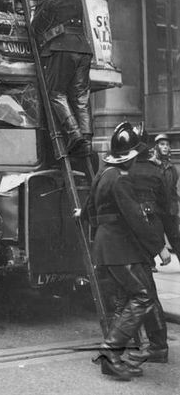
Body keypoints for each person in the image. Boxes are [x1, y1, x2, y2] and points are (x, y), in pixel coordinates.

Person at [84, 122, 171, 380]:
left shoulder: (102, 174)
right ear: (131, 156)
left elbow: (89, 211)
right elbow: (135, 218)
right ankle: (110, 353)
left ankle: (114, 355)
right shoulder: (121, 180)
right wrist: (160, 249)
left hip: (105, 247)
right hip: (120, 249)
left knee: (125, 299)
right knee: (143, 296)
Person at [29, 0, 93, 157]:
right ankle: (87, 140)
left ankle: (74, 134)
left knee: (56, 93)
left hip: (61, 48)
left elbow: (34, 28)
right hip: (83, 49)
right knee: (80, 96)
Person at [124, 124, 170, 365]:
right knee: (144, 291)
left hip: (129, 239)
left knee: (142, 293)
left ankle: (155, 345)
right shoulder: (155, 172)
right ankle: (152, 344)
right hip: (149, 239)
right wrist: (165, 245)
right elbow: (166, 211)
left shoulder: (123, 171)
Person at [150, 133, 180, 262]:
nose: (165, 147)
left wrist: (175, 208)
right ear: (156, 147)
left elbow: (174, 190)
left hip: (169, 208)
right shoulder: (150, 165)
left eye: (167, 145)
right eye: (162, 144)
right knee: (153, 236)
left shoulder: (172, 168)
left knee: (175, 237)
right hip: (155, 207)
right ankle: (150, 264)